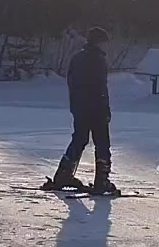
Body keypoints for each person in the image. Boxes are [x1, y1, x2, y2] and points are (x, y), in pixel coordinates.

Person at [47, 27, 115, 194]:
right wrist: (105, 109)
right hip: (95, 108)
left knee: (79, 139)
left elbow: (72, 83)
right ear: (98, 43)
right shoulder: (97, 60)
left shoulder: (77, 58)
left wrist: (77, 105)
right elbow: (100, 87)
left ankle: (63, 173)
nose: (106, 47)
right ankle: (102, 180)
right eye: (104, 43)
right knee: (102, 143)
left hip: (80, 107)